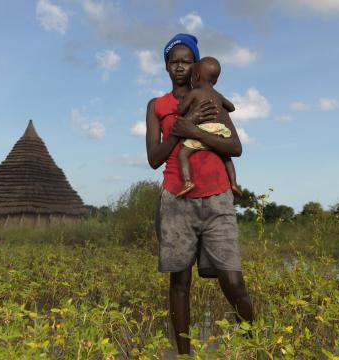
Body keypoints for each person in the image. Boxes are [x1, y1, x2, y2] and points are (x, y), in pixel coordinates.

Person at [145, 33, 253, 355]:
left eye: (185, 60)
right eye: (173, 61)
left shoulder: (211, 99)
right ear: (166, 67)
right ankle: (183, 354)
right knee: (179, 283)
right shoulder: (158, 106)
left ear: (195, 66)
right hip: (177, 199)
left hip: (218, 197)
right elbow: (154, 158)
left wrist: (191, 129)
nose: (179, 66)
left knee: (233, 282)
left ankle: (255, 345)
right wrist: (183, 125)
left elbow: (235, 147)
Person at [176, 56, 242, 198]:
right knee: (226, 157)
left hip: (204, 129)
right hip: (219, 130)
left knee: (183, 153)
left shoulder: (195, 92)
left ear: (196, 76)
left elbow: (181, 110)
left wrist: (182, 105)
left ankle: (187, 182)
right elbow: (232, 107)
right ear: (216, 80)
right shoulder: (218, 95)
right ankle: (234, 183)